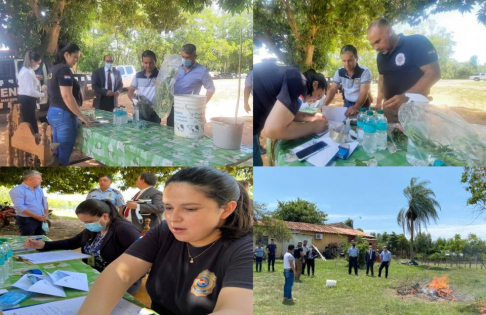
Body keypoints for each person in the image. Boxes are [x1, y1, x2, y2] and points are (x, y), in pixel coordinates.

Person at [78, 167, 253, 315]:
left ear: (227, 209)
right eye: (168, 207)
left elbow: (235, 309)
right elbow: (119, 273)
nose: (173, 218)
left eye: (190, 209)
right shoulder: (165, 231)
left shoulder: (245, 248)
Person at [24, 199, 142, 294]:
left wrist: (108, 278)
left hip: (121, 280)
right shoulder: (94, 229)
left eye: (89, 221)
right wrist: (44, 244)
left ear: (105, 216)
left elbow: (141, 260)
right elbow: (72, 243)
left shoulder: (124, 230)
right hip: (92, 274)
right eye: (84, 222)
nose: (87, 225)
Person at [253, 63, 329, 166]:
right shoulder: (300, 82)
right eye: (318, 95)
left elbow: (286, 112)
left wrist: (311, 117)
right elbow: (273, 130)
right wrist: (314, 127)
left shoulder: (295, 78)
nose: (314, 101)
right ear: (315, 84)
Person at [367, 18, 441, 122]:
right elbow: (382, 80)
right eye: (373, 44)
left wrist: (406, 96)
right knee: (389, 137)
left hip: (415, 110)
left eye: (378, 41)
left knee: (413, 138)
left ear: (388, 31)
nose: (376, 47)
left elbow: (434, 72)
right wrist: (379, 102)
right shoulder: (380, 56)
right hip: (389, 110)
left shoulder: (416, 42)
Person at [47, 43, 91, 166]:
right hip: (63, 114)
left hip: (54, 112)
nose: (76, 60)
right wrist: (82, 116)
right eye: (75, 57)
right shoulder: (64, 69)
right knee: (64, 154)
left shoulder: (53, 68)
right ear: (66, 54)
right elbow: (67, 96)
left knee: (57, 151)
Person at [169, 44, 215, 127]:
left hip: (190, 109)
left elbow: (211, 89)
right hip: (174, 107)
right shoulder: (175, 68)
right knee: (171, 133)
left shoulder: (202, 71)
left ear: (195, 56)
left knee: (189, 134)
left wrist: (201, 105)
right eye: (183, 57)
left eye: (188, 57)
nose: (185, 59)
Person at [323, 45, 372, 116]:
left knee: (362, 124)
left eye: (350, 60)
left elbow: (364, 92)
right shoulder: (339, 72)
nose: (347, 64)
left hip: (362, 104)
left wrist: (356, 107)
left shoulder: (365, 71)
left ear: (357, 59)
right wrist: (324, 106)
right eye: (344, 61)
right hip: (347, 102)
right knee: (346, 123)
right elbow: (333, 89)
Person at [9, 170, 48, 236]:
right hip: (27, 220)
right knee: (28, 241)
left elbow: (44, 202)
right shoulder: (17, 190)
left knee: (41, 240)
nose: (41, 180)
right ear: (30, 179)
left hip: (41, 219)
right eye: (39, 178)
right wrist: (36, 216)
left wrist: (46, 214)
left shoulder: (39, 189)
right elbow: (19, 206)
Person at [18, 51, 47, 134]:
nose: (38, 65)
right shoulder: (26, 72)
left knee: (32, 121)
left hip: (29, 100)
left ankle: (34, 140)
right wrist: (43, 94)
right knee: (30, 123)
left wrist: (35, 77)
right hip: (26, 100)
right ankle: (33, 142)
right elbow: (30, 91)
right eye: (38, 63)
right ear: (32, 61)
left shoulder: (28, 70)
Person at [128, 50, 161, 123]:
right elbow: (130, 91)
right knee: (139, 132)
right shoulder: (138, 75)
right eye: (145, 63)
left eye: (151, 63)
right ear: (142, 62)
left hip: (155, 112)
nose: (148, 65)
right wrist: (134, 100)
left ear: (155, 61)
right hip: (140, 111)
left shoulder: (161, 75)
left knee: (155, 132)